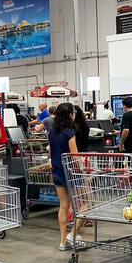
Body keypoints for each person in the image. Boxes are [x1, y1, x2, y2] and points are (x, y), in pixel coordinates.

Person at [49, 103, 84, 250]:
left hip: (56, 171)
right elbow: (75, 156)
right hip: (70, 173)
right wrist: (84, 172)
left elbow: (50, 152)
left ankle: (63, 241)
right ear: (70, 115)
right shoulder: (70, 132)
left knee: (63, 206)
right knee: (87, 203)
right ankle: (73, 233)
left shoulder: (52, 132)